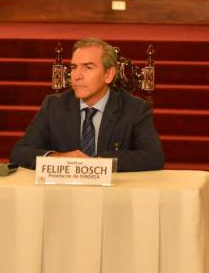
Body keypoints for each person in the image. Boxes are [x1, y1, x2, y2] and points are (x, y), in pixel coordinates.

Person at [9, 37, 164, 172]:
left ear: (108, 75)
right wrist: (58, 158)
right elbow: (19, 152)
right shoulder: (54, 106)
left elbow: (153, 157)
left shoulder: (135, 109)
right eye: (74, 67)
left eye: (88, 67)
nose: (77, 76)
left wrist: (97, 164)